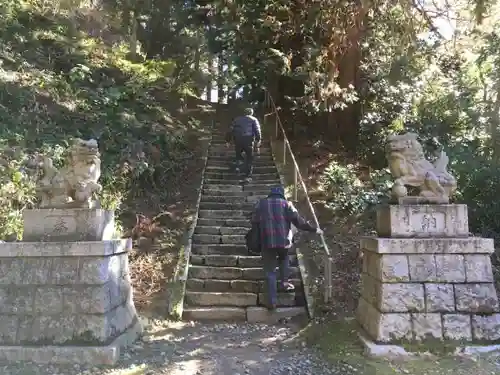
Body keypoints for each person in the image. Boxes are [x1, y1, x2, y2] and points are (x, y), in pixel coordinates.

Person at [251, 186, 323, 310]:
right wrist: (314, 229)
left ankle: (272, 301)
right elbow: (299, 222)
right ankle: (285, 282)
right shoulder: (287, 204)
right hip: (283, 241)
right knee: (284, 258)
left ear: (270, 194)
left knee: (270, 271)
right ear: (282, 195)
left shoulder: (261, 204)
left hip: (267, 242)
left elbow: (253, 221)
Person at [225, 107, 262, 180]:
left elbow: (230, 130)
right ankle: (248, 175)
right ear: (251, 113)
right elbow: (257, 130)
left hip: (238, 139)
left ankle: (238, 168)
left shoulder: (237, 119)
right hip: (248, 140)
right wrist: (258, 140)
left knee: (238, 154)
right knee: (249, 157)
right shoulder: (254, 119)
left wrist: (228, 140)